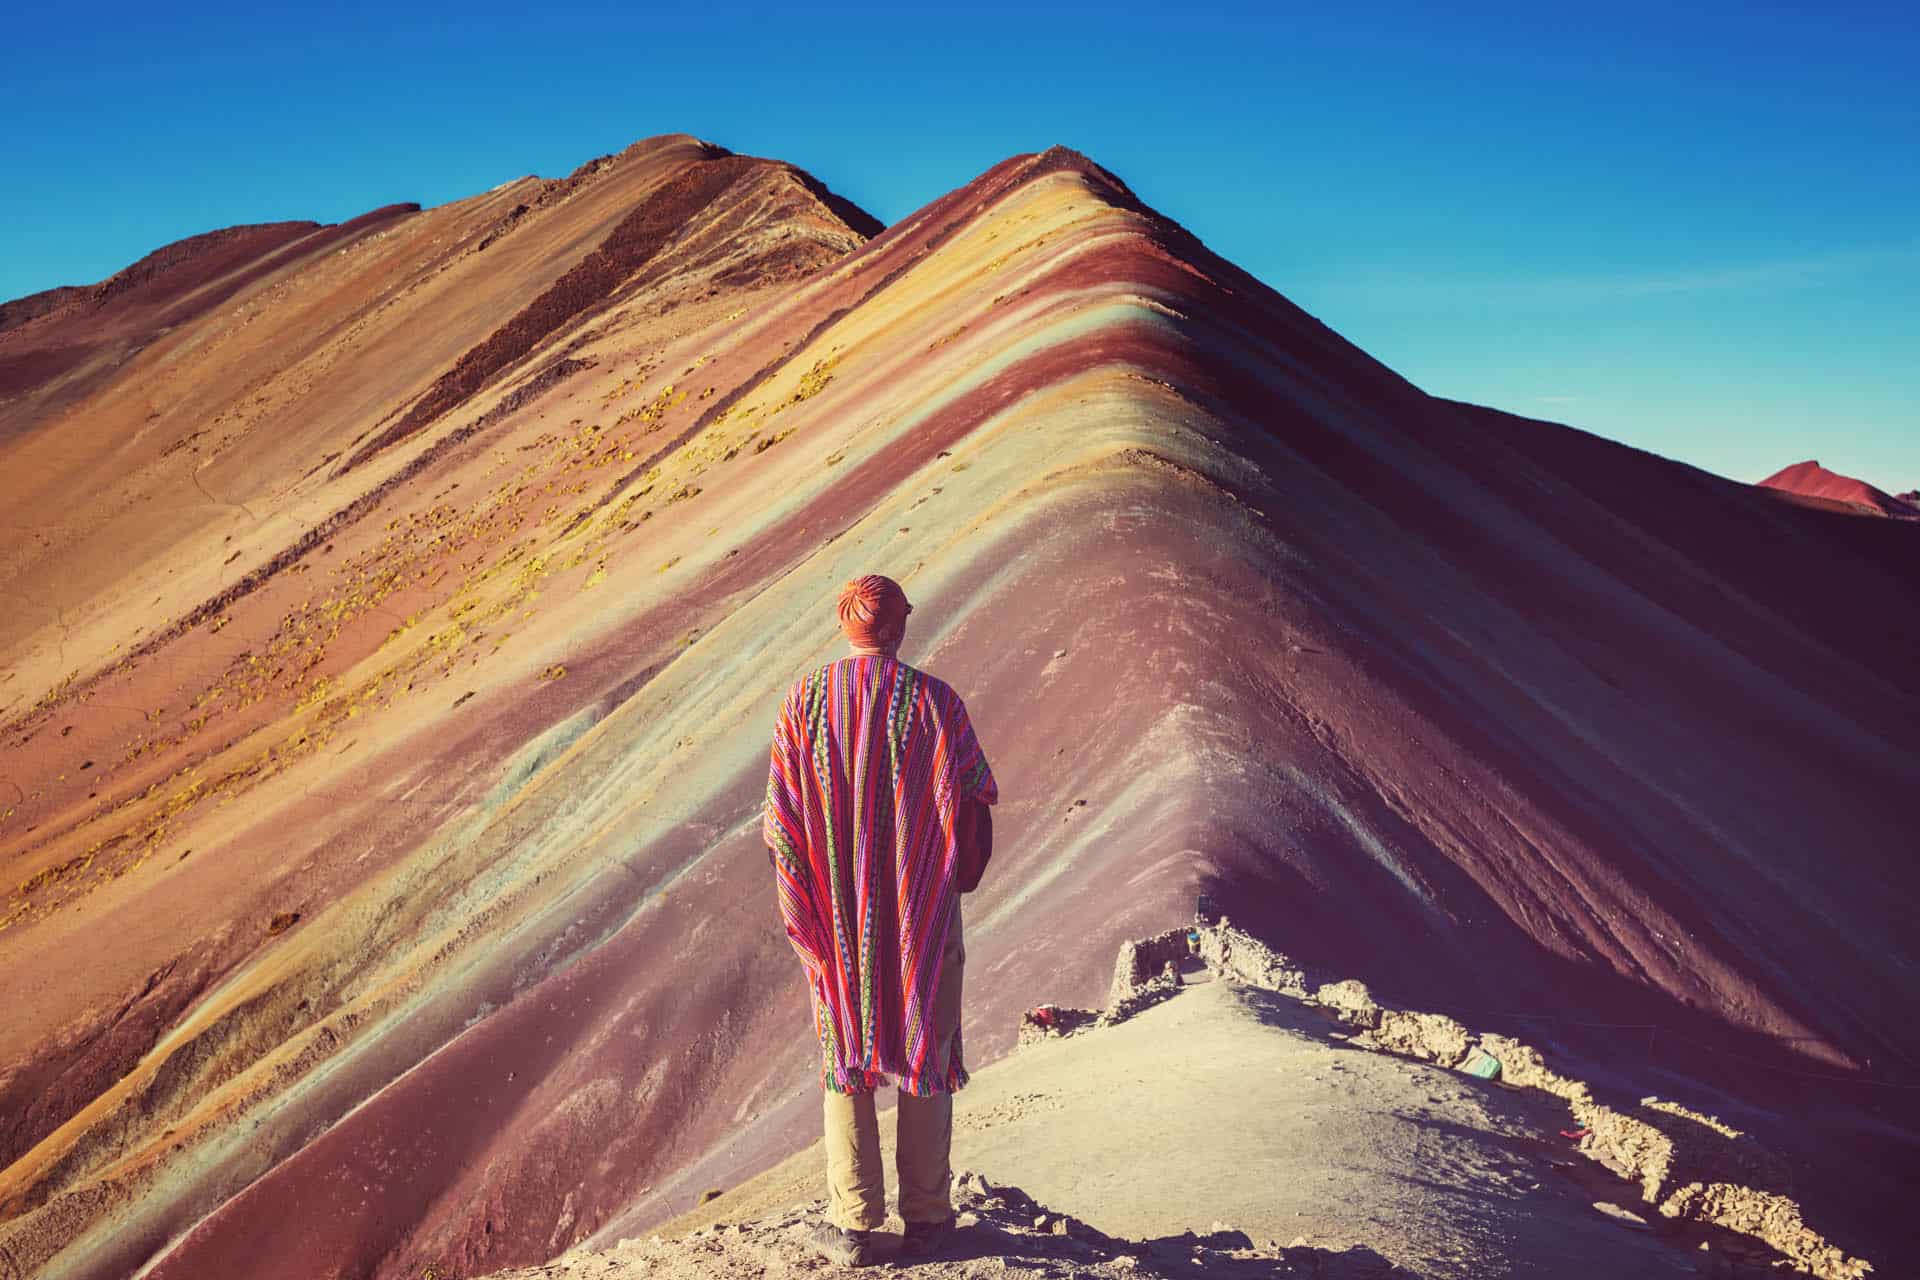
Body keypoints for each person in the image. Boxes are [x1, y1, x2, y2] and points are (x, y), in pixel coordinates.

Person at [763, 574, 998, 1267]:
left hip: (837, 924)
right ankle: (927, 1219)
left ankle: (854, 1224)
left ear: (846, 624)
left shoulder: (804, 702)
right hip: (922, 919)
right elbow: (977, 800)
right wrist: (948, 874)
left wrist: (810, 893)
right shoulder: (937, 704)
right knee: (927, 1051)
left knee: (846, 1057)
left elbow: (781, 823)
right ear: (900, 626)